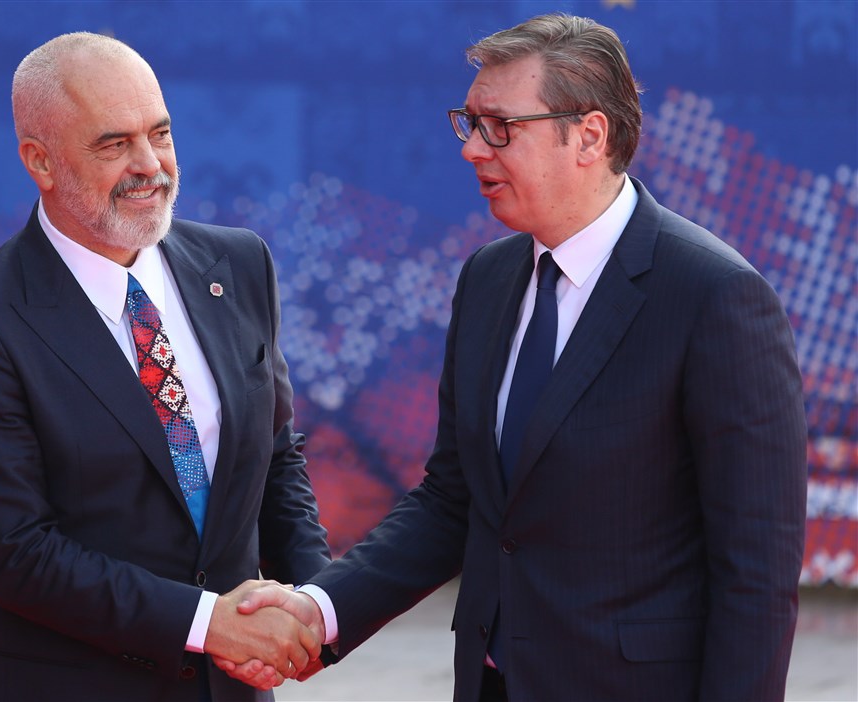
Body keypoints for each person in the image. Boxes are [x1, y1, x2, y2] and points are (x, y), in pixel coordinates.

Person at [225, 12, 808, 701]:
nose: (473, 149)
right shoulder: (488, 278)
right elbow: (454, 498)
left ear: (589, 136)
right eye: (470, 123)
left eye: (501, 127)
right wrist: (320, 610)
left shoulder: (715, 297)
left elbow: (756, 576)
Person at [0, 32, 330, 701]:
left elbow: (275, 455)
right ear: (41, 161)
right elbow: (15, 551)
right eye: (114, 145)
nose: (150, 165)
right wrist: (207, 624)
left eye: (160, 134)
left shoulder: (239, 264)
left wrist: (314, 603)